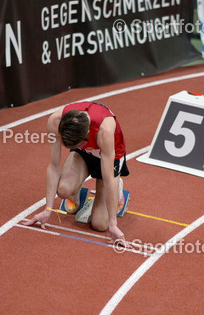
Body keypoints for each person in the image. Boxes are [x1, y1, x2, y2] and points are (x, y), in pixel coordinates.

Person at [25, 101, 128, 244]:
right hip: (83, 153)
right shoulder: (55, 122)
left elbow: (108, 178)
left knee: (100, 225)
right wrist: (48, 209)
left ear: (86, 134)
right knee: (62, 190)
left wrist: (113, 224)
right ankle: (77, 192)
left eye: (77, 143)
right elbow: (54, 166)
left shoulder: (105, 131)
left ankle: (119, 191)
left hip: (109, 157)